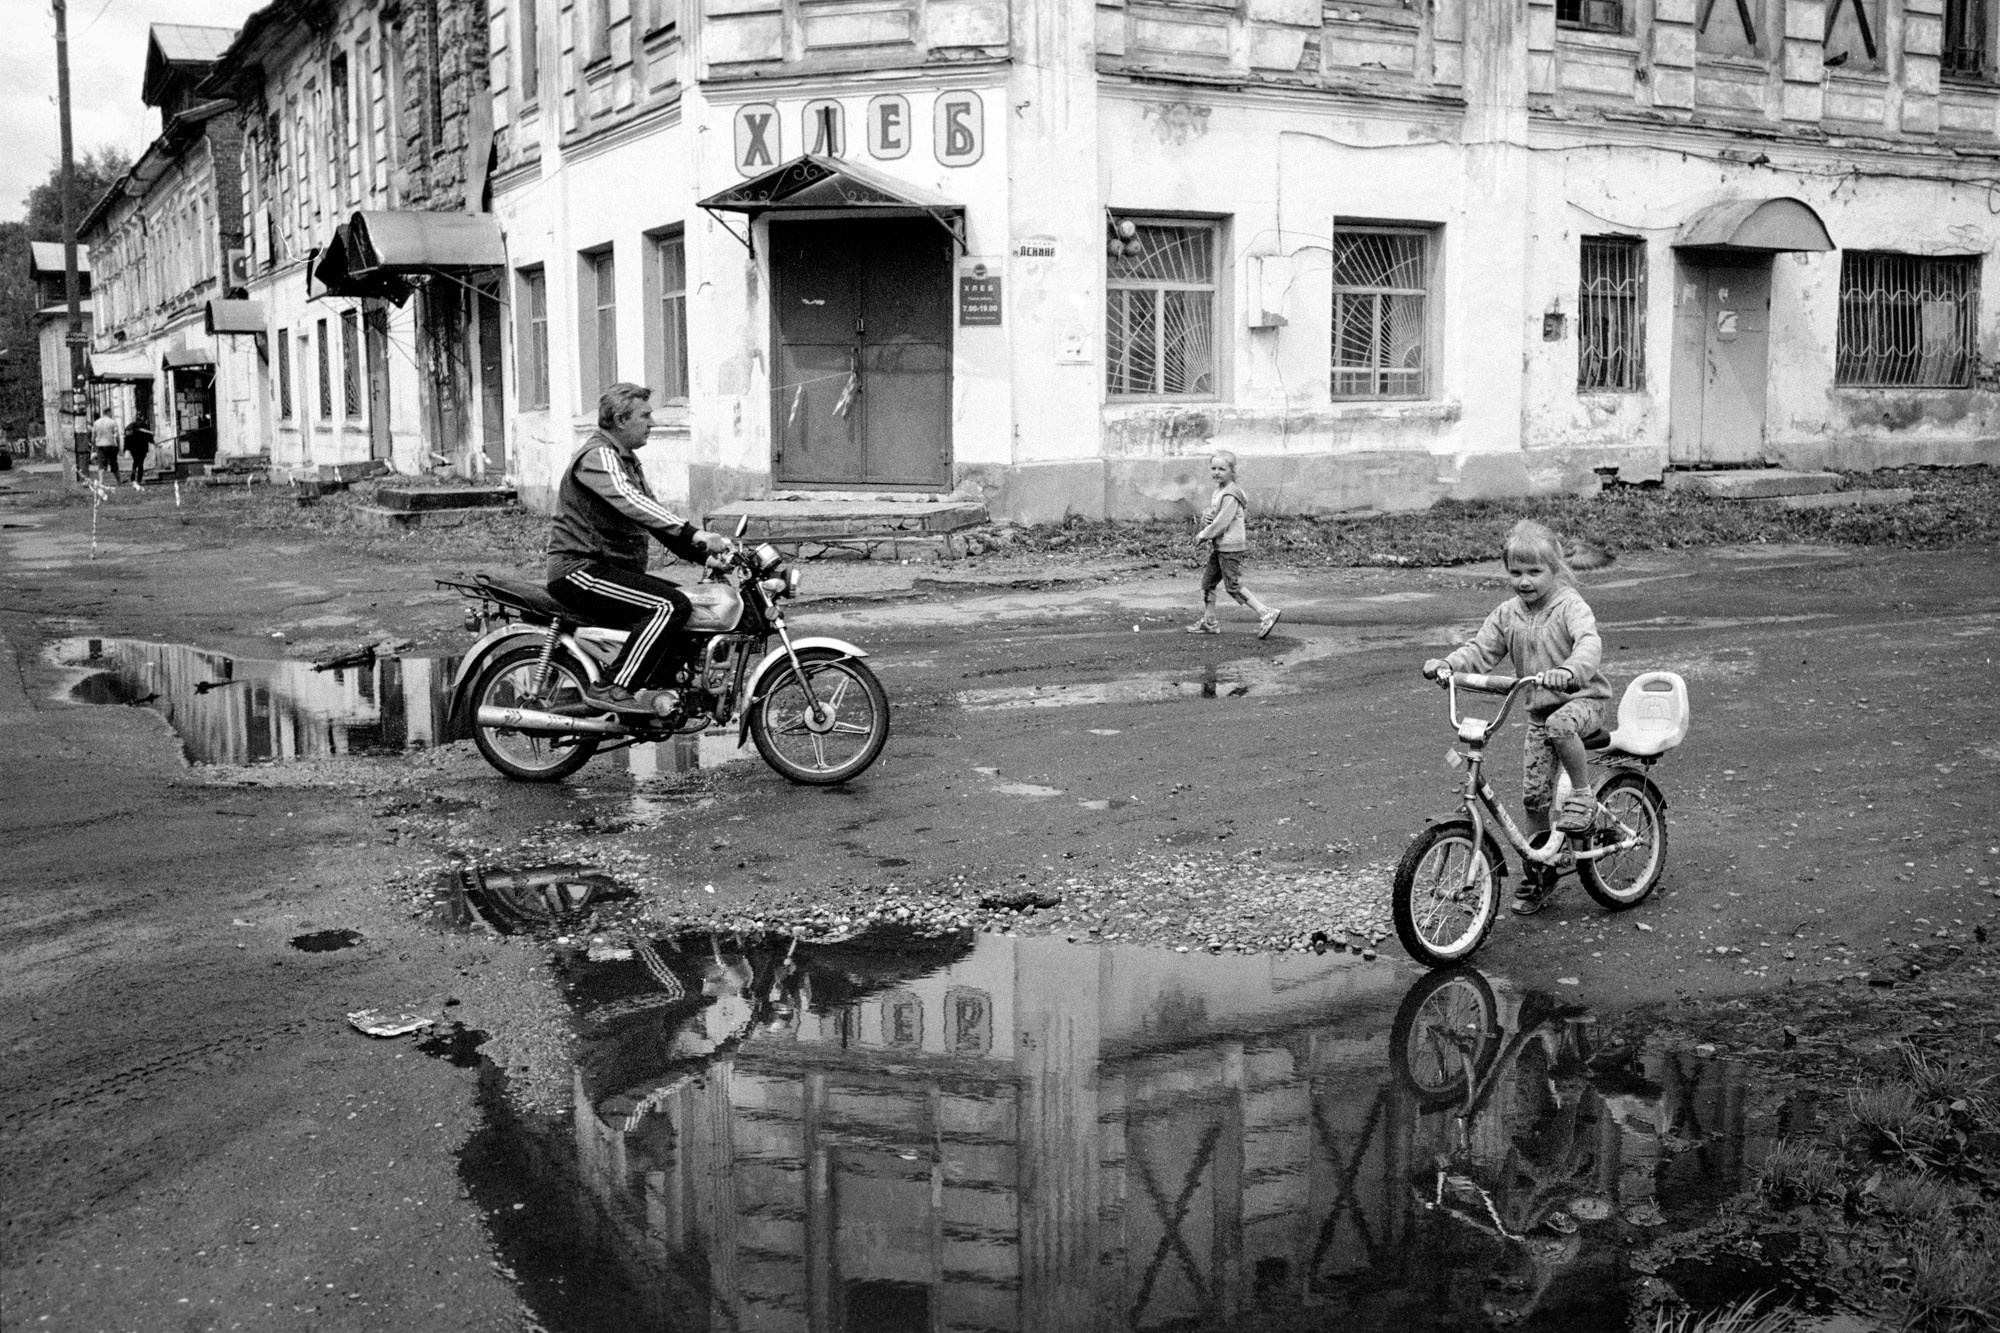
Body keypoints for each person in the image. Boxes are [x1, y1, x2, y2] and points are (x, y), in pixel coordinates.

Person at [1423, 519, 1611, 915]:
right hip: (1541, 713)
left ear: (1555, 569)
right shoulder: (1507, 614)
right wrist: (1448, 664)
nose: (1524, 581)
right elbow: (1480, 650)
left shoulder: (1570, 605)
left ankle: (1582, 795)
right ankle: (1542, 870)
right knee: (1534, 796)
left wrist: (1571, 670)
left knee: (1560, 724)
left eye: (1534, 572)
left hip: (1583, 700)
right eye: (1515, 572)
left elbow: (1588, 642)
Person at [546, 382, 734, 717]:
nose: (653, 423)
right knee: (668, 605)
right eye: (645, 416)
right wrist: (695, 533)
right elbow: (635, 504)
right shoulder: (598, 456)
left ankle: (661, 694)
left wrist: (705, 555)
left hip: (607, 570)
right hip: (579, 570)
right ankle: (613, 687)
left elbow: (653, 519)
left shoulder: (626, 461)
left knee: (690, 603)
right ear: (621, 420)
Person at [1186, 449, 1282, 638]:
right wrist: (1207, 517)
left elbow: (1222, 522)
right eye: (1213, 468)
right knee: (1208, 583)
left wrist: (1203, 535)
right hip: (1221, 546)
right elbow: (1215, 515)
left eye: (1222, 469)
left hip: (1230, 547)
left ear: (1232, 471)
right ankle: (1209, 622)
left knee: (1232, 585)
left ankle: (1265, 612)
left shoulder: (1230, 494)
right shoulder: (1219, 491)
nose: (1217, 472)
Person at [89, 408, 120, 482]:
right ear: (108, 412)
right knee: (113, 463)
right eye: (110, 412)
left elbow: (93, 436)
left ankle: (101, 480)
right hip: (111, 445)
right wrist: (118, 445)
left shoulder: (96, 423)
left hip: (100, 445)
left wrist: (93, 446)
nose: (111, 414)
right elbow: (116, 435)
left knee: (101, 464)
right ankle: (118, 481)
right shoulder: (113, 422)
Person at [123, 415, 154, 488]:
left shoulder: (130, 426)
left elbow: (126, 437)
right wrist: (153, 442)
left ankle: (133, 474)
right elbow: (150, 437)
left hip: (133, 448)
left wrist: (126, 448)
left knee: (136, 461)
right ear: (141, 418)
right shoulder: (144, 427)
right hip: (142, 448)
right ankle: (139, 479)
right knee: (140, 463)